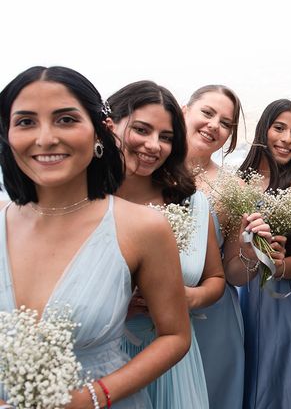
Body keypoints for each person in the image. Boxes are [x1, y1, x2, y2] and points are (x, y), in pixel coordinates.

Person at [0, 66, 191, 408]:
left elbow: (175, 336)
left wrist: (94, 396)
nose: (45, 138)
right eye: (26, 121)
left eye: (66, 119)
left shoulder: (142, 227)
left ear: (100, 132)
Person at [106, 81, 228, 407]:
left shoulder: (190, 203)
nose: (153, 145)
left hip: (176, 366)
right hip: (106, 363)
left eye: (166, 137)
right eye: (142, 130)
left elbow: (215, 279)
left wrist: (186, 297)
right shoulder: (86, 201)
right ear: (110, 124)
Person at [238, 99, 291, 409]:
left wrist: (278, 264)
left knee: (275, 386)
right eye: (280, 128)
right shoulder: (238, 182)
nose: (287, 139)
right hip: (240, 296)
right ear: (264, 129)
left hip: (281, 302)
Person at [182, 84, 249, 409]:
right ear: (184, 110)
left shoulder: (233, 188)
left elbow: (235, 274)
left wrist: (252, 251)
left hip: (211, 322)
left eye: (226, 123)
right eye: (207, 113)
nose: (214, 126)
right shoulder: (144, 170)